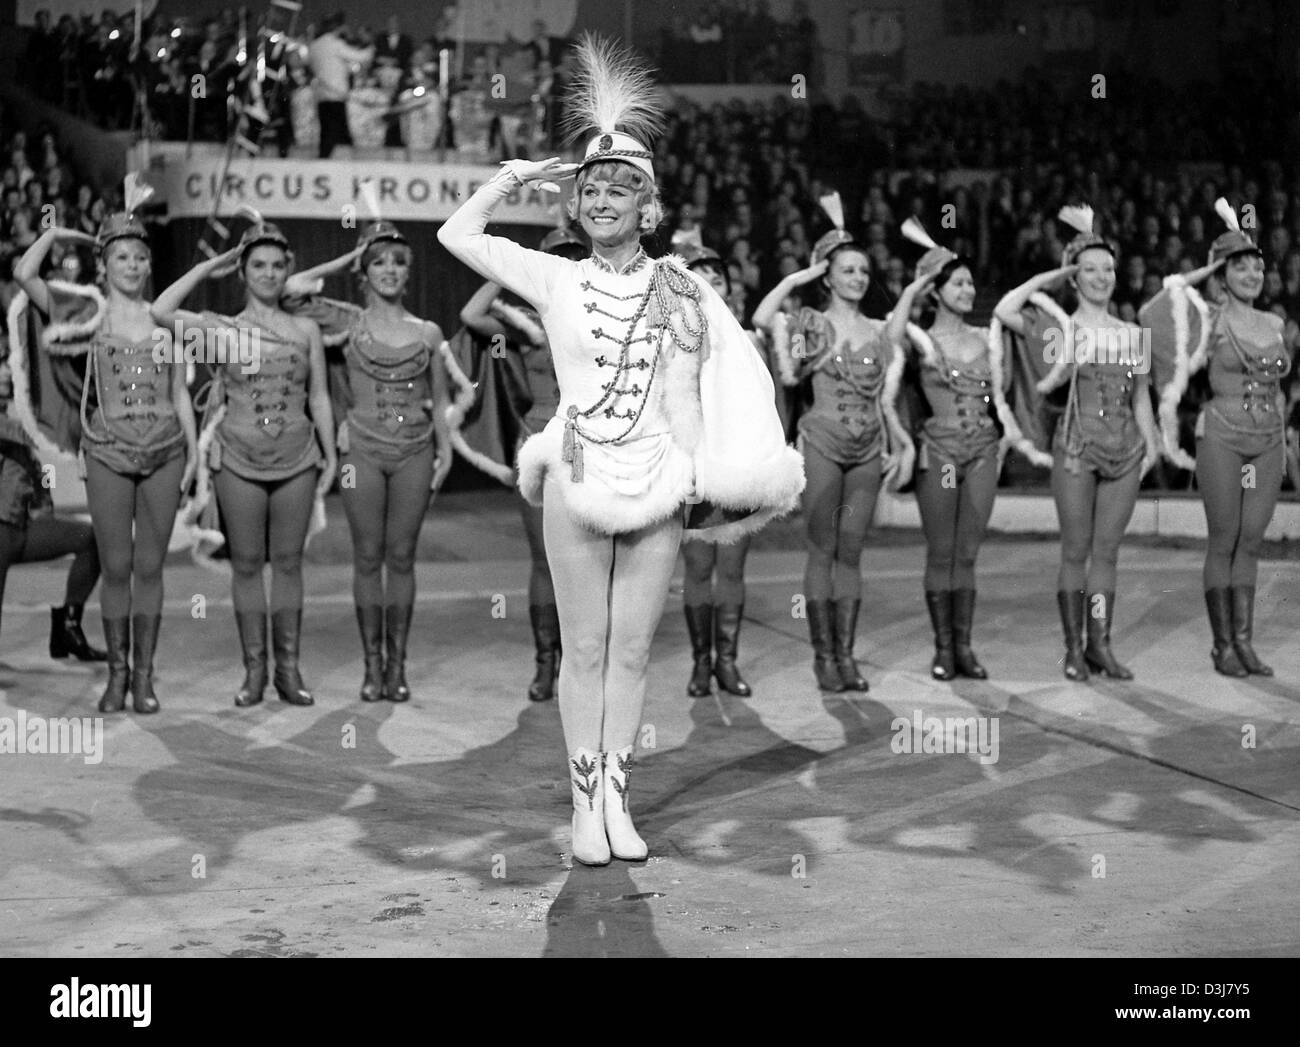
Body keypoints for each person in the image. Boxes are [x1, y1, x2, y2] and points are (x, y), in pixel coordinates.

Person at [436, 36, 802, 866]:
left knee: (634, 650)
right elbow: (460, 233)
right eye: (591, 188)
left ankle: (616, 795)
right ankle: (580, 805)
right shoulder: (556, 277)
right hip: (578, 471)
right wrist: (515, 179)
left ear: (649, 207)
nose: (602, 199)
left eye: (620, 189)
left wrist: (710, 476)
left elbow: (714, 387)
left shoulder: (683, 287)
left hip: (660, 481)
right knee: (587, 647)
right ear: (577, 205)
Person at [12, 182, 197, 713]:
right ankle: (116, 677)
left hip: (166, 450)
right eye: (121, 256)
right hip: (107, 450)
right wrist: (53, 232)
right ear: (105, 263)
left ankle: (144, 679)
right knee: (116, 567)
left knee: (151, 569)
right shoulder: (84, 312)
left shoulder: (165, 321)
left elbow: (180, 393)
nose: (133, 265)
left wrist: (197, 459)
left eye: (140, 256)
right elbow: (25, 275)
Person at [151, 221, 336, 707]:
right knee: (248, 565)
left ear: (288, 270)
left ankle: (288, 672)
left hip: (298, 457)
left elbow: (318, 394)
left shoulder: (307, 329)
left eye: (278, 265)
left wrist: (332, 451)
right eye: (258, 265)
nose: (269, 274)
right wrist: (210, 264)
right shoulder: (221, 329)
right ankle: (255, 672)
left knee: (290, 564)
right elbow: (160, 311)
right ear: (243, 271)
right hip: (236, 458)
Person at [753, 193, 911, 693]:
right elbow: (762, 317)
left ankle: (847, 656)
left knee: (852, 550)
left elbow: (892, 376)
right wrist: (800, 277)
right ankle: (824, 657)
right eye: (847, 270)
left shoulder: (879, 331)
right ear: (828, 275)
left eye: (863, 271)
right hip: (821, 442)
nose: (858, 279)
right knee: (822, 549)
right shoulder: (808, 324)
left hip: (866, 448)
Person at [994, 206, 1160, 681]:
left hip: (1126, 450)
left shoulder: (1134, 335)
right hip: (1077, 446)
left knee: (1107, 553)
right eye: (1089, 269)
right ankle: (1072, 649)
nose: (1101, 277)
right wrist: (1052, 273)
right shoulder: (1058, 331)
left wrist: (1151, 446)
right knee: (1075, 549)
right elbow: (1007, 309)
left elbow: (1143, 396)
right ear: (1074, 277)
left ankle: (1100, 647)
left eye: (1108, 268)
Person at [288, 222, 452, 701]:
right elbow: (292, 294)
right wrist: (348, 255)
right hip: (359, 451)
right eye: (378, 262)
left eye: (398, 262)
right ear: (364, 271)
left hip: (416, 452)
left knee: (401, 557)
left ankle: (396, 667)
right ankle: (371, 667)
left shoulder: (427, 331)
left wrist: (444, 450)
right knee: (366, 556)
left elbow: (438, 400)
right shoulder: (347, 321)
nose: (389, 270)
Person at [887, 219, 1050, 679]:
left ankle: (964, 647)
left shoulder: (986, 336)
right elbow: (890, 338)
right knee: (941, 552)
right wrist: (918, 284)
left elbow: (1018, 313)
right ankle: (942, 649)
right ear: (935, 291)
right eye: (958, 282)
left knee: (968, 554)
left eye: (970, 282)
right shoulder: (920, 339)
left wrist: (1040, 280)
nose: (968, 289)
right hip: (937, 451)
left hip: (983, 451)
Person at [1141, 199, 1291, 676]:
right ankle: (1222, 645)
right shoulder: (1206, 318)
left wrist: (1283, 442)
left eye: (1257, 267)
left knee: (1251, 541)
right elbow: (1151, 312)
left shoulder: (1273, 323)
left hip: (1267, 439)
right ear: (1222, 275)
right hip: (1222, 435)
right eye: (1239, 267)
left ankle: (1244, 642)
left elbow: (1280, 390)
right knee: (1224, 539)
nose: (1251, 275)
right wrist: (1203, 270)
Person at [455, 221, 589, 704]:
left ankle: (585, 660)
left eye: (576, 255)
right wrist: (514, 271)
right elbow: (472, 313)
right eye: (558, 257)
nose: (567, 263)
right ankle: (545, 662)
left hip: (592, 442)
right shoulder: (525, 330)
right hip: (539, 440)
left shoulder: (603, 315)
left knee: (592, 558)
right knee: (543, 559)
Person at [676, 236, 764, 698]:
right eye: (700, 276)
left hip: (737, 466)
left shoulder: (748, 343)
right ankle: (699, 663)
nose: (710, 283)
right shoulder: (672, 340)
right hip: (692, 468)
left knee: (731, 570)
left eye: (718, 278)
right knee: (697, 569)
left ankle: (727, 662)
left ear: (730, 290)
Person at [0, 370, 104, 664]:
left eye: (9, 366)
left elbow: (35, 472)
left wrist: (44, 503)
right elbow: (27, 434)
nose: (7, 374)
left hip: (20, 528)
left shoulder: (15, 423)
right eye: (0, 366)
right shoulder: (15, 427)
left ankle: (68, 628)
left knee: (91, 539)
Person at [308, 12, 374, 159]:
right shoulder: (335, 44)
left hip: (321, 95)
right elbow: (362, 57)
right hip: (336, 95)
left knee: (326, 132)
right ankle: (347, 167)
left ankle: (324, 161)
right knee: (339, 133)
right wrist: (369, 43)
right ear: (338, 27)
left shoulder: (314, 46)